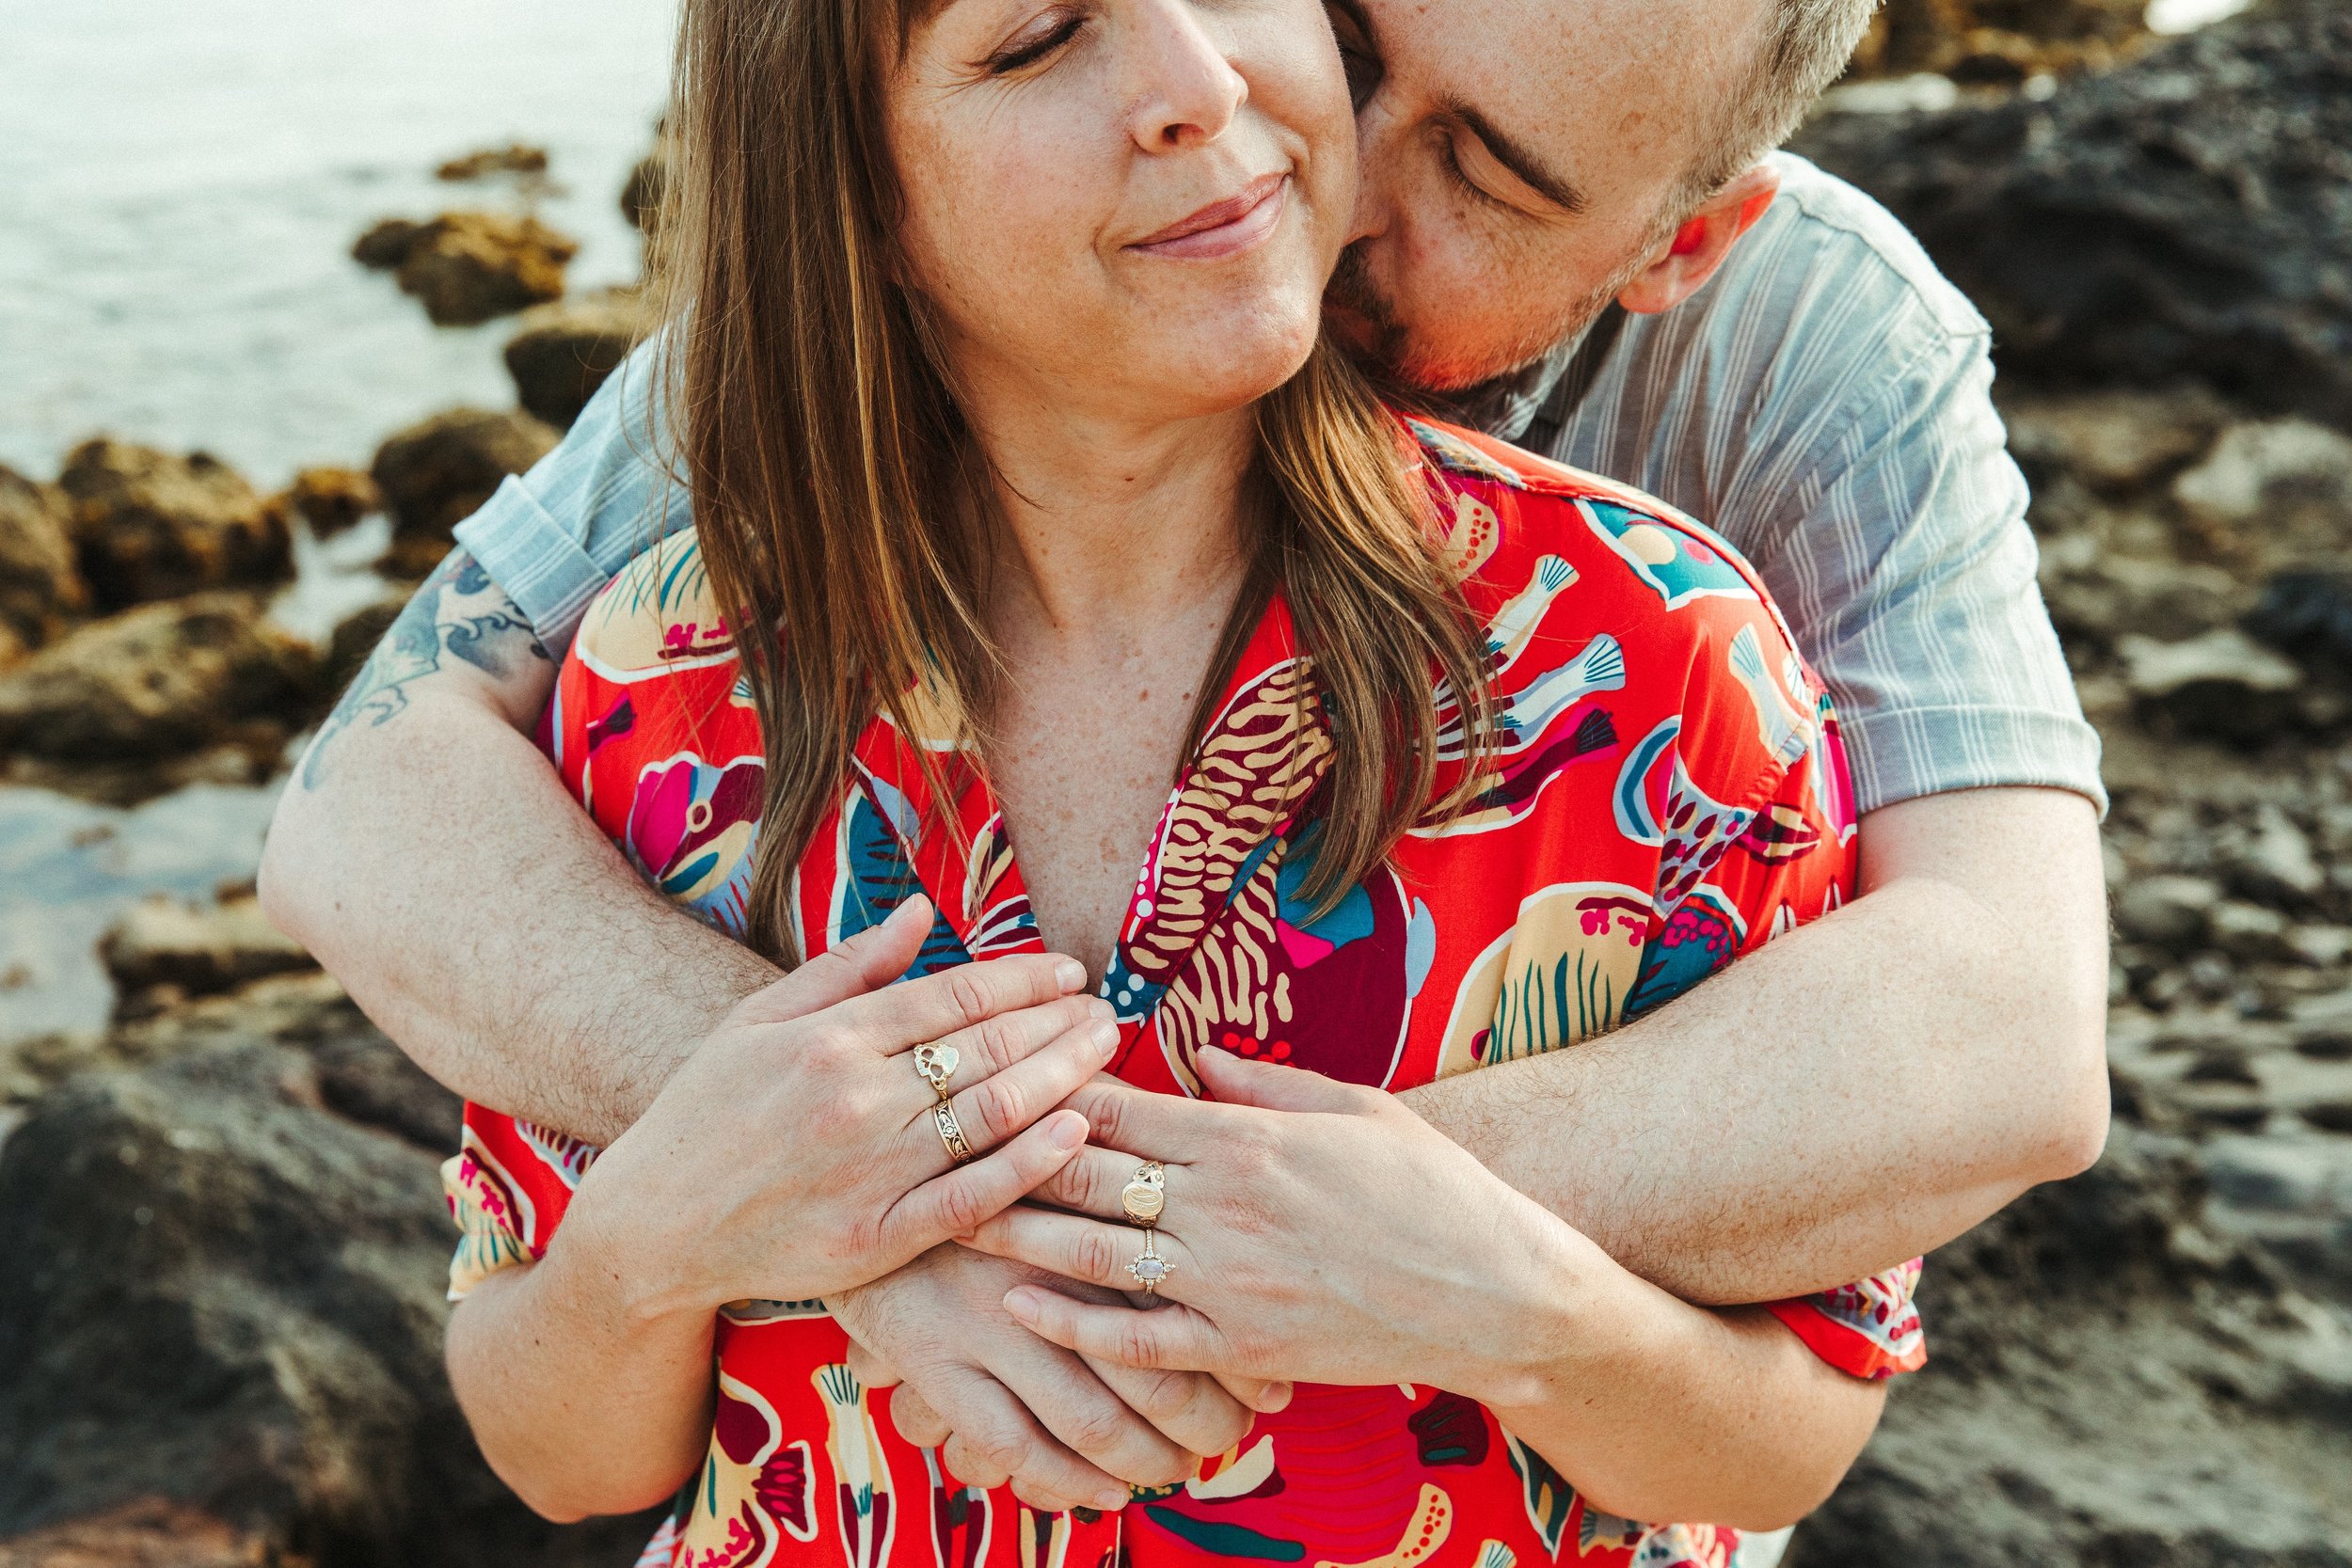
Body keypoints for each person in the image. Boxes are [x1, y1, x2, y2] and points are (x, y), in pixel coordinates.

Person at [261, 0, 2110, 1528]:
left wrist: (1290, 1239)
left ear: (1675, 244)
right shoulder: (727, 570)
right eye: (1347, 33)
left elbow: (1998, 1036)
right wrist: (851, 1179)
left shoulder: (1740, 498)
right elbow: (371, 793)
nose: (1260, 135)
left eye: (1479, 168)